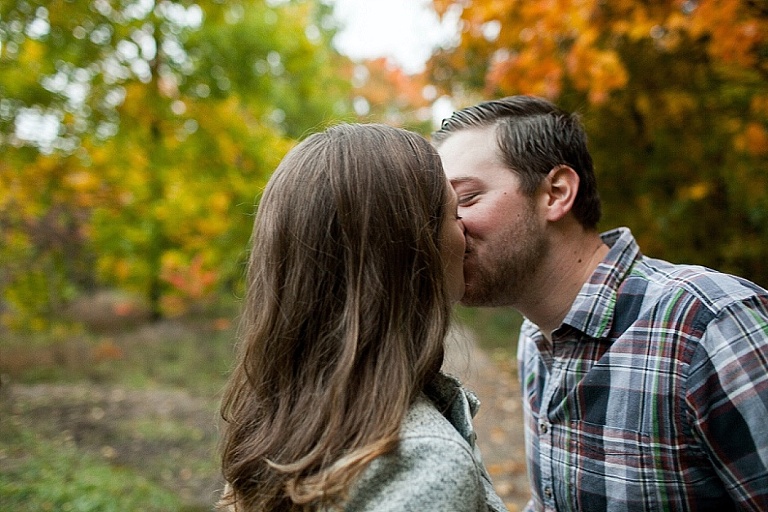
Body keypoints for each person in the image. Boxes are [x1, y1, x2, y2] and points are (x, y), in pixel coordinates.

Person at [432, 95, 768, 511]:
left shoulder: (710, 324)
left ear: (555, 193)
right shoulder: (535, 337)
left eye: (464, 200)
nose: (447, 231)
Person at [217, 123, 508, 512]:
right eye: (453, 211)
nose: (464, 231)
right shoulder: (424, 465)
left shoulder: (283, 421)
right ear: (407, 254)